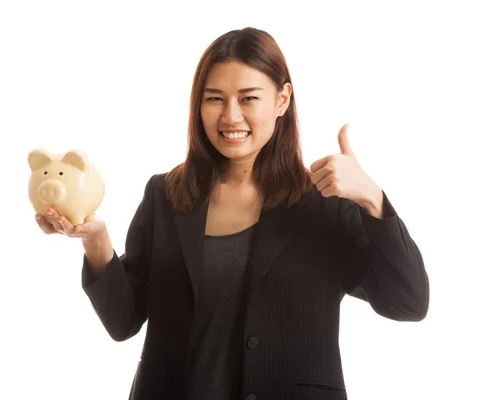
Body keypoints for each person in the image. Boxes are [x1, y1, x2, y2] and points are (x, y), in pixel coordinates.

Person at [35, 27, 429, 400]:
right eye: (215, 98)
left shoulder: (326, 203)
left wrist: (372, 199)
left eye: (248, 97)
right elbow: (123, 323)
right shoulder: (165, 196)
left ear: (282, 100)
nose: (230, 116)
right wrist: (96, 242)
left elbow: (408, 302)